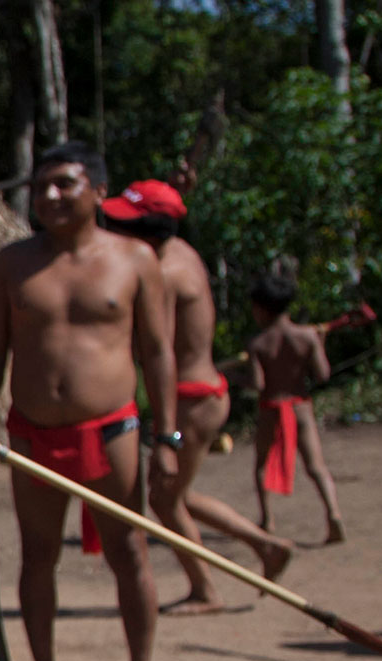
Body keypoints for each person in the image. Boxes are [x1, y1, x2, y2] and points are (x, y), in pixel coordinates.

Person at [0, 142, 177, 661]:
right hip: (33, 436)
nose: (50, 196)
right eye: (40, 187)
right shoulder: (12, 265)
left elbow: (158, 354)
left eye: (64, 183)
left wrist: (168, 439)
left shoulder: (135, 259)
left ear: (99, 191)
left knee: (128, 552)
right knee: (37, 559)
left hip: (112, 432)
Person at [100, 181, 293, 613]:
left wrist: (164, 434)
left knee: (165, 499)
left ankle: (206, 589)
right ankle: (265, 545)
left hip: (189, 397)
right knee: (176, 496)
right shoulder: (182, 252)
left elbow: (158, 351)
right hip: (202, 392)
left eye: (125, 225)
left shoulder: (163, 273)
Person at [246, 269, 346, 543]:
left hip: (271, 408)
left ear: (262, 309)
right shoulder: (307, 336)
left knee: (261, 466)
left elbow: (257, 383)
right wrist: (320, 345)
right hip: (300, 406)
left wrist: (240, 374)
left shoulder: (259, 343)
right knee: (316, 466)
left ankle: (267, 519)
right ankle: (333, 511)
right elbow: (322, 374)